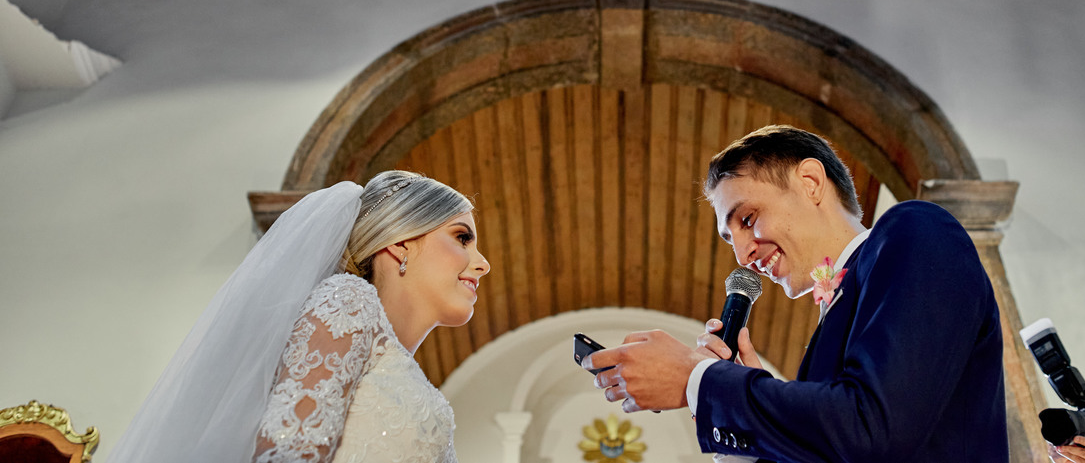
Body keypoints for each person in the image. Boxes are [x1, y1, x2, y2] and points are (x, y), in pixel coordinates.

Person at [583, 124, 1008, 463]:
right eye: (728, 237)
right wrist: (743, 421)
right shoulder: (826, 333)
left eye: (747, 218)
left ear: (810, 182)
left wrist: (701, 379)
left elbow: (875, 432)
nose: (743, 253)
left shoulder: (915, 231)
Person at [107, 170, 489, 463]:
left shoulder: (399, 368)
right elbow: (289, 452)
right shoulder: (348, 302)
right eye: (461, 237)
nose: (482, 264)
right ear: (401, 242)